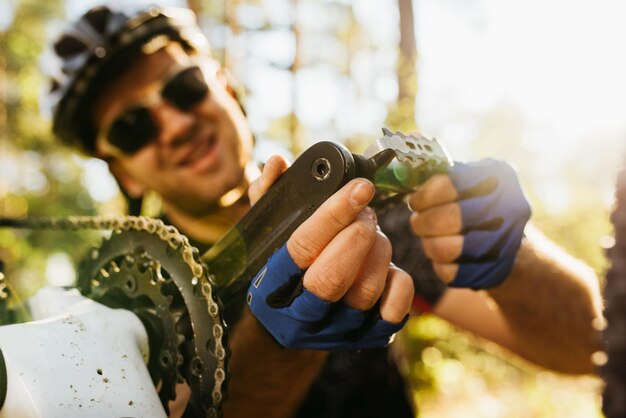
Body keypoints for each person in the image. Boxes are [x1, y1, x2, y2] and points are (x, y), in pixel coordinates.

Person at [43, 4, 603, 417]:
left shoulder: (365, 209)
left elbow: (591, 348)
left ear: (228, 88)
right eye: (131, 127)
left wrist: (509, 259)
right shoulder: (104, 307)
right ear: (121, 171)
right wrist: (278, 349)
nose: (175, 123)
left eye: (185, 87)